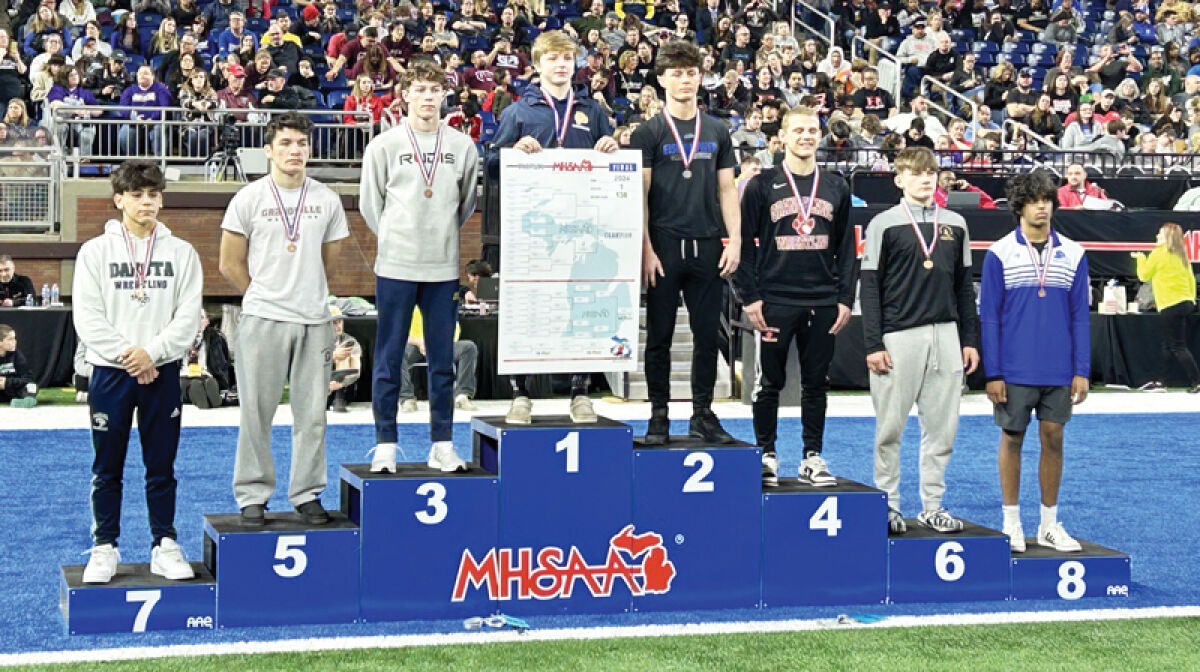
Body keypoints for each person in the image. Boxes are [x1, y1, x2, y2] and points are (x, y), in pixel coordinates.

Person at [71, 160, 203, 584]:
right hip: (111, 372)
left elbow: (188, 317)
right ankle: (105, 546)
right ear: (119, 200)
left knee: (160, 465)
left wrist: (154, 354)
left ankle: (164, 544)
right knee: (107, 466)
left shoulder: (182, 253)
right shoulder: (95, 252)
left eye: (154, 194)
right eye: (138, 194)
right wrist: (131, 355)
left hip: (161, 372)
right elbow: (87, 318)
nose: (147, 202)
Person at [219, 112, 349, 527]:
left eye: (302, 144)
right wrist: (264, 295)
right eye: (287, 143)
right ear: (269, 150)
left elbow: (330, 263)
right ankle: (253, 495)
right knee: (257, 412)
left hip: (314, 320)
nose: (295, 151)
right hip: (263, 319)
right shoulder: (249, 198)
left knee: (312, 415)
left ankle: (307, 493)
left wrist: (303, 293)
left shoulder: (326, 199)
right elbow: (229, 263)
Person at [486, 30, 618, 425]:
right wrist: (512, 152)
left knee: (579, 306)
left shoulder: (592, 110)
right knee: (526, 310)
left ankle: (580, 391)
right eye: (553, 59)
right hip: (533, 233)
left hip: (580, 231)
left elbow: (609, 171)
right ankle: (521, 392)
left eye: (567, 59)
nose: (561, 65)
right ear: (538, 65)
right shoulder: (518, 112)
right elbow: (491, 168)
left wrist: (610, 149)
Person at [359, 60, 479, 474]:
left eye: (435, 89)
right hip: (395, 265)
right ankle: (386, 444)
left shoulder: (463, 146)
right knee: (389, 357)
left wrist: (439, 237)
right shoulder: (385, 145)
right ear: (405, 95)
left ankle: (442, 443)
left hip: (442, 268)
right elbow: (370, 206)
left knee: (443, 361)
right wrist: (398, 238)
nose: (428, 97)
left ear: (444, 96)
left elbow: (465, 205)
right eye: (420, 89)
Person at [860, 146, 980, 535]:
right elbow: (870, 287)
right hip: (898, 335)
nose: (926, 178)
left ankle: (932, 504)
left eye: (931, 172)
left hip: (945, 333)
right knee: (890, 428)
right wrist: (873, 343)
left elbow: (964, 288)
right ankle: (889, 504)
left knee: (943, 428)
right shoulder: (884, 224)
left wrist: (969, 339)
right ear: (899, 179)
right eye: (916, 173)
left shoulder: (957, 224)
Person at [735, 106, 856, 487]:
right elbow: (745, 246)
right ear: (782, 137)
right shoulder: (761, 184)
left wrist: (845, 298)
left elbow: (846, 249)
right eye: (798, 130)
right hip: (775, 299)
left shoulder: (837, 186)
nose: (806, 136)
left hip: (822, 299)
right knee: (767, 383)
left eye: (811, 130)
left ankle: (812, 455)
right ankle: (766, 454)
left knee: (816, 382)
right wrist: (750, 297)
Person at [632, 40, 740, 446]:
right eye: (676, 73)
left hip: (709, 244)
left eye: (691, 72)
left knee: (707, 335)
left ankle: (703, 415)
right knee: (659, 335)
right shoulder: (649, 132)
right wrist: (645, 247)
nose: (684, 80)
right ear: (661, 79)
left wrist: (736, 241)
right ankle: (658, 417)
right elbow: (639, 196)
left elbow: (727, 189)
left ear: (701, 77)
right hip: (663, 245)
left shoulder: (716, 130)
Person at [980, 170, 1090, 553]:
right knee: (1012, 438)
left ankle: (1048, 523)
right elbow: (989, 316)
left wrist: (1081, 370)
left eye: (1047, 199)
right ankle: (1011, 522)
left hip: (1058, 368)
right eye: (1034, 200)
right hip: (1013, 369)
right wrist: (992, 372)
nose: (1042, 206)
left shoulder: (1074, 253)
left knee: (1053, 438)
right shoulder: (999, 253)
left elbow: (1080, 316)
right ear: (1020, 205)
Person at [1132, 223, 1200, 393]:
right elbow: (1191, 280)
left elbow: (1144, 275)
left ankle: (1197, 382)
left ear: (1168, 238)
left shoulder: (1158, 254)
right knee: (1168, 344)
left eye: (1160, 235)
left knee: (1177, 346)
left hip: (1170, 304)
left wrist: (1140, 258)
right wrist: (1191, 299)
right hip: (1185, 302)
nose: (1156, 236)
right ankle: (1162, 381)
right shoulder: (1182, 256)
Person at [398, 307, 479, 413]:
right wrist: (420, 342)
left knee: (468, 347)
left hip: (440, 345)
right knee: (396, 352)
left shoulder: (442, 302)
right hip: (414, 345)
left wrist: (436, 342)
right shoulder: (407, 302)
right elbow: (397, 332)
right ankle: (406, 398)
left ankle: (462, 395)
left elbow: (454, 329)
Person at [328, 309, 361, 412]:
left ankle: (339, 397)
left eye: (340, 321)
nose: (338, 326)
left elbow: (356, 370)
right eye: (333, 322)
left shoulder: (351, 342)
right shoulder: (315, 340)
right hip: (319, 384)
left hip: (343, 385)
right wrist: (331, 356)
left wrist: (340, 385)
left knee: (345, 352)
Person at [0, 323, 36, 404]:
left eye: (14, 338)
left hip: (11, 390)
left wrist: (7, 382)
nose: (15, 342)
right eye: (10, 339)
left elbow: (29, 379)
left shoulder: (17, 355)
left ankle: (27, 401)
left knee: (32, 386)